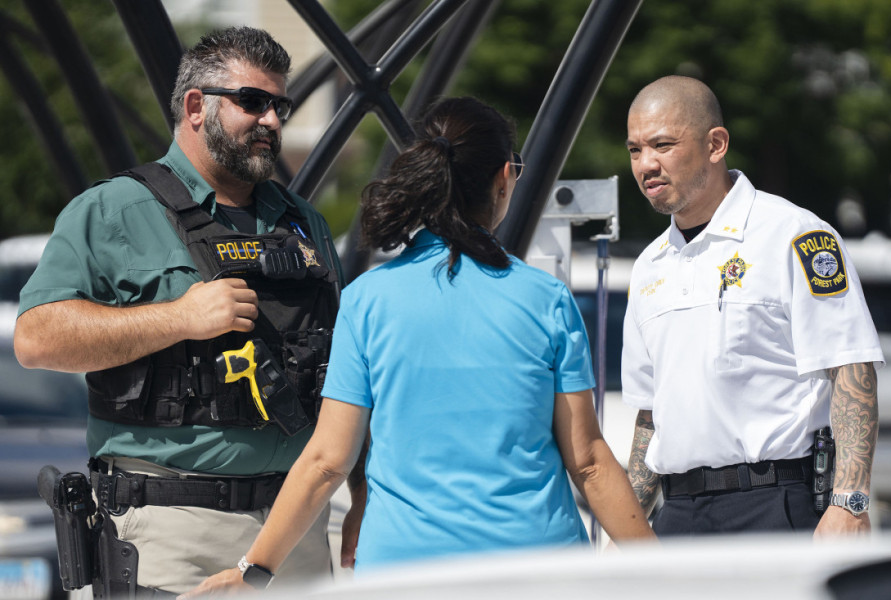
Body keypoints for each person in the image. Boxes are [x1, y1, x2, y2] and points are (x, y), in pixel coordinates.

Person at [179, 95, 655, 596]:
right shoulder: (545, 300)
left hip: (406, 574)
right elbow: (589, 462)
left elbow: (327, 461)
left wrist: (253, 570)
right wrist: (664, 574)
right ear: (503, 179)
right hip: (538, 570)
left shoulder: (367, 301)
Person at [14, 26, 364, 597]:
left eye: (281, 105)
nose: (272, 120)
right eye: (253, 102)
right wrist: (179, 318)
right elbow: (36, 339)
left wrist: (363, 494)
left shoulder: (303, 222)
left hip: (293, 531)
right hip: (171, 534)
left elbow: (349, 372)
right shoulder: (113, 209)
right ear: (196, 106)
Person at [622, 75, 883, 537]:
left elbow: (851, 369)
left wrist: (851, 502)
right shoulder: (648, 268)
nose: (647, 164)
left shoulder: (795, 235)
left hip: (775, 505)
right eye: (635, 150)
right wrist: (624, 526)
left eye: (662, 144)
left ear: (715, 144)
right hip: (677, 517)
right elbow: (649, 416)